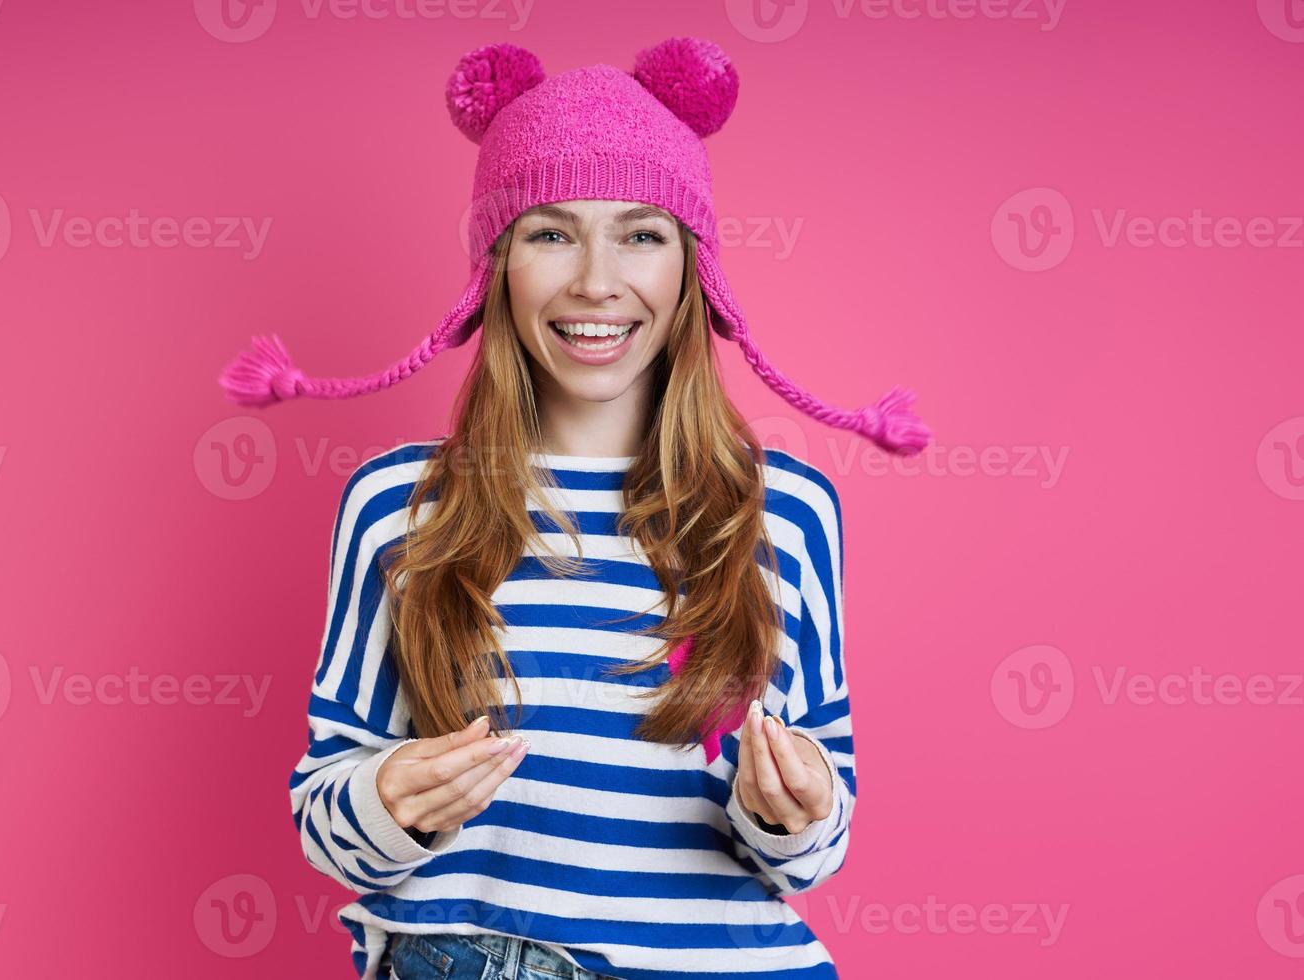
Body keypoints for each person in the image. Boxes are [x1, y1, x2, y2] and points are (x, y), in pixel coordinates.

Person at [219, 36, 931, 980]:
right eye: (550, 233)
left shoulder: (783, 512)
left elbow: (810, 847)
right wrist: (387, 799)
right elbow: (327, 818)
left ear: (692, 271)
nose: (596, 280)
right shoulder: (402, 505)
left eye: (641, 234)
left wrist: (793, 811)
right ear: (494, 268)